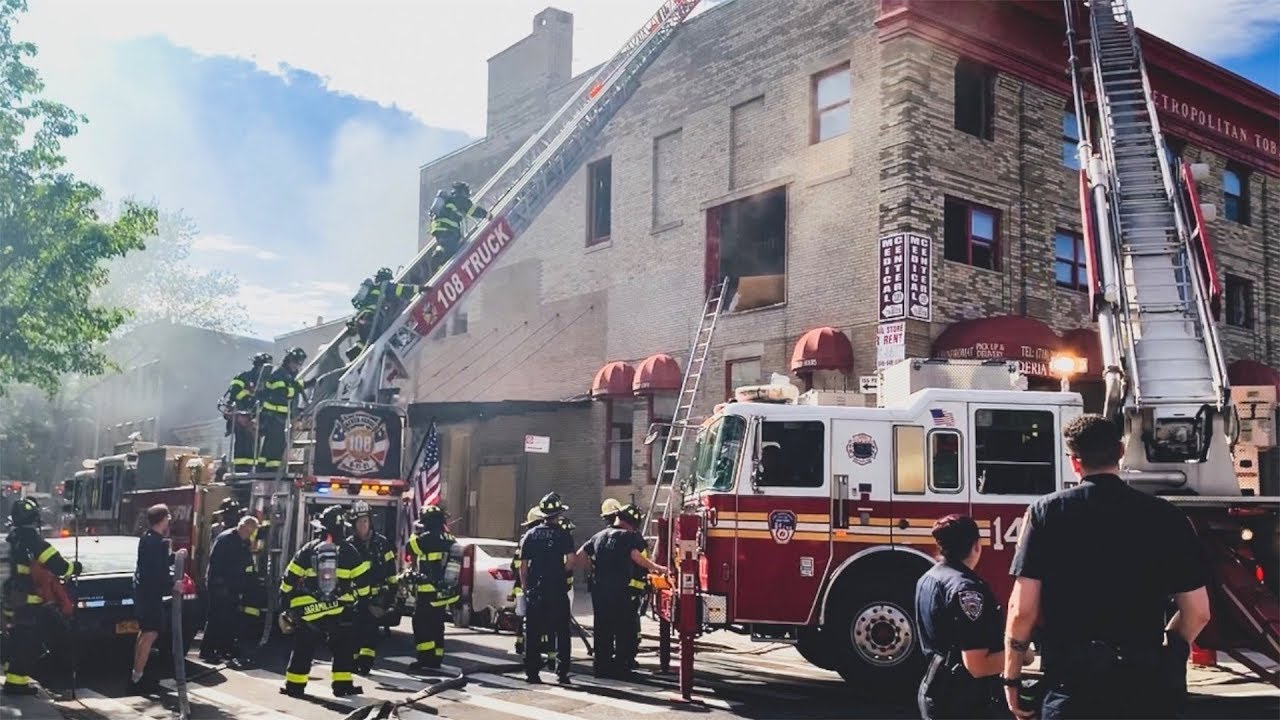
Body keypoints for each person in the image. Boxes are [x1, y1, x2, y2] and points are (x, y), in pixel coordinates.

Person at [1003, 414, 1212, 720]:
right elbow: (1199, 612)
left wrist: (1011, 678)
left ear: (1074, 462)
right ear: (1120, 452)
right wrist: (1165, 650)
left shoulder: (1046, 513)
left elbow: (1022, 610)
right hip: (1145, 688)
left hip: (1073, 687)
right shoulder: (1167, 517)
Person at [914, 514, 1004, 719]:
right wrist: (1018, 655)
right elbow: (977, 665)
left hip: (935, 691)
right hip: (965, 702)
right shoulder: (967, 590)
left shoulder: (928, 578)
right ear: (977, 545)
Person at [278, 506, 365, 697]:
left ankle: (294, 686)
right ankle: (342, 686)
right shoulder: (350, 551)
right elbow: (363, 583)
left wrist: (284, 603)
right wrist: (359, 602)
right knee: (342, 650)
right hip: (339, 610)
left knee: (303, 648)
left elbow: (289, 578)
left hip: (309, 611)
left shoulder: (308, 549)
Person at [3, 497, 81, 696]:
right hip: (28, 603)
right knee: (28, 643)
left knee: (17, 639)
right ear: (34, 518)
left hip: (12, 601)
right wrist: (74, 568)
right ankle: (16, 684)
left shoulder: (12, 538)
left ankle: (13, 678)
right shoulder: (33, 540)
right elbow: (58, 565)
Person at [579, 504, 667, 679]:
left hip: (599, 591)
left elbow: (580, 556)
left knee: (602, 629)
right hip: (621, 592)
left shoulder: (598, 536)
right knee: (623, 630)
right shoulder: (630, 536)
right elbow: (636, 557)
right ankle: (621, 667)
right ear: (631, 522)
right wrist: (657, 568)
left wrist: (592, 570)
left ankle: (601, 667)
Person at [518, 492, 575, 684]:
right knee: (562, 631)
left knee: (533, 632)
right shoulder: (563, 534)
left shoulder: (530, 535)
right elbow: (571, 561)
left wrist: (526, 587)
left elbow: (523, 566)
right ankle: (562, 673)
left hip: (536, 589)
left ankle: (532, 673)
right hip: (557, 589)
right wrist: (559, 573)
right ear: (558, 514)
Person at [405, 505, 458, 671]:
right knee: (437, 624)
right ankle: (436, 657)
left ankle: (425, 658)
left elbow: (410, 547)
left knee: (421, 623)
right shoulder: (450, 537)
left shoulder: (426, 537)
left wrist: (416, 532)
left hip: (427, 590)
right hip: (443, 592)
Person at [347, 501, 396, 674]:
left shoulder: (382, 543)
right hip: (354, 600)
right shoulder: (348, 545)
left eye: (365, 521)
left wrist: (390, 598)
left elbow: (391, 571)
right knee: (353, 632)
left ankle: (366, 664)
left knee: (370, 633)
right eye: (359, 522)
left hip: (375, 599)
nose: (363, 525)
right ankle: (352, 663)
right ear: (354, 524)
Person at [202, 515, 259, 663]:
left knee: (230, 619)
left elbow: (246, 563)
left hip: (233, 586)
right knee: (216, 618)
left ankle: (224, 648)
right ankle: (207, 651)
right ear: (242, 527)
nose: (249, 534)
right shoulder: (225, 539)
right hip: (219, 586)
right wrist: (219, 585)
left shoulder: (243, 542)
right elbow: (215, 563)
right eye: (249, 531)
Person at [131, 504, 174, 693]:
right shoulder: (156, 542)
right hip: (151, 595)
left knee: (145, 632)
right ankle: (138, 678)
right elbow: (157, 571)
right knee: (150, 634)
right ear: (162, 519)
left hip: (144, 594)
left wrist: (173, 556)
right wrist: (172, 585)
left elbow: (156, 564)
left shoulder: (148, 538)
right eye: (168, 518)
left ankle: (137, 674)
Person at [346, 268, 421, 361]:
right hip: (373, 318)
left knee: (364, 341)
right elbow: (404, 289)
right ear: (387, 278)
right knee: (378, 338)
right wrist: (420, 288)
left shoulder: (371, 287)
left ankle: (353, 354)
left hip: (361, 318)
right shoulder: (387, 286)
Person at [255, 347, 307, 473]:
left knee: (269, 444)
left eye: (299, 364)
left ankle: (262, 468)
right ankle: (273, 470)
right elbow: (282, 393)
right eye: (295, 363)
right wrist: (296, 388)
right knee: (277, 444)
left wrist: (307, 383)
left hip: (278, 415)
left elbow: (294, 388)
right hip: (273, 415)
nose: (297, 366)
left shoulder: (288, 375)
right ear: (289, 360)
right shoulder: (279, 374)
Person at [426, 181, 489, 281]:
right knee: (452, 252)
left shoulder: (448, 199)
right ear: (463, 191)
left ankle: (438, 257)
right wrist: (487, 215)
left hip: (437, 228)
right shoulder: (460, 199)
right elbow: (473, 211)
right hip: (449, 228)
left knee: (443, 245)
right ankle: (439, 258)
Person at [222, 352, 271, 473]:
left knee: (254, 445)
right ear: (257, 365)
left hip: (254, 418)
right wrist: (249, 399)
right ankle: (241, 469)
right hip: (241, 416)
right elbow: (235, 393)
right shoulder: (243, 377)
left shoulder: (265, 382)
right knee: (243, 444)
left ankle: (253, 469)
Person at [510, 506, 545, 657]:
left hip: (522, 584)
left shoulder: (525, 540)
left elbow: (515, 565)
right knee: (537, 616)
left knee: (522, 615)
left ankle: (520, 643)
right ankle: (538, 645)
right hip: (535, 584)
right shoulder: (538, 540)